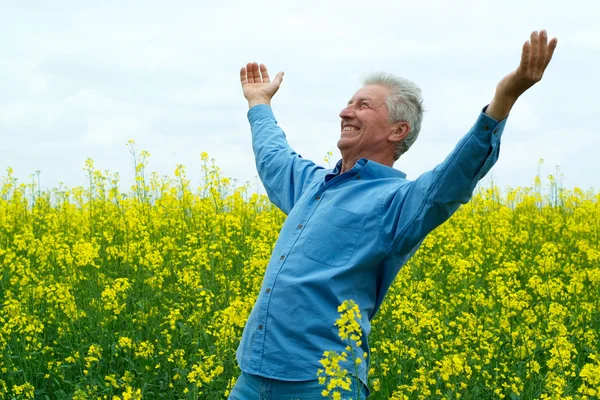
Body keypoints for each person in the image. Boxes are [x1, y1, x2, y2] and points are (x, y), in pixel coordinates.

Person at [229, 30, 558, 399]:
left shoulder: (396, 203)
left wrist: (503, 100)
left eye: (363, 105)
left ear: (397, 130)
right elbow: (275, 157)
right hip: (251, 377)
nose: (345, 111)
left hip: (320, 383)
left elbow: (451, 179)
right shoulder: (311, 184)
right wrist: (259, 104)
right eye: (349, 102)